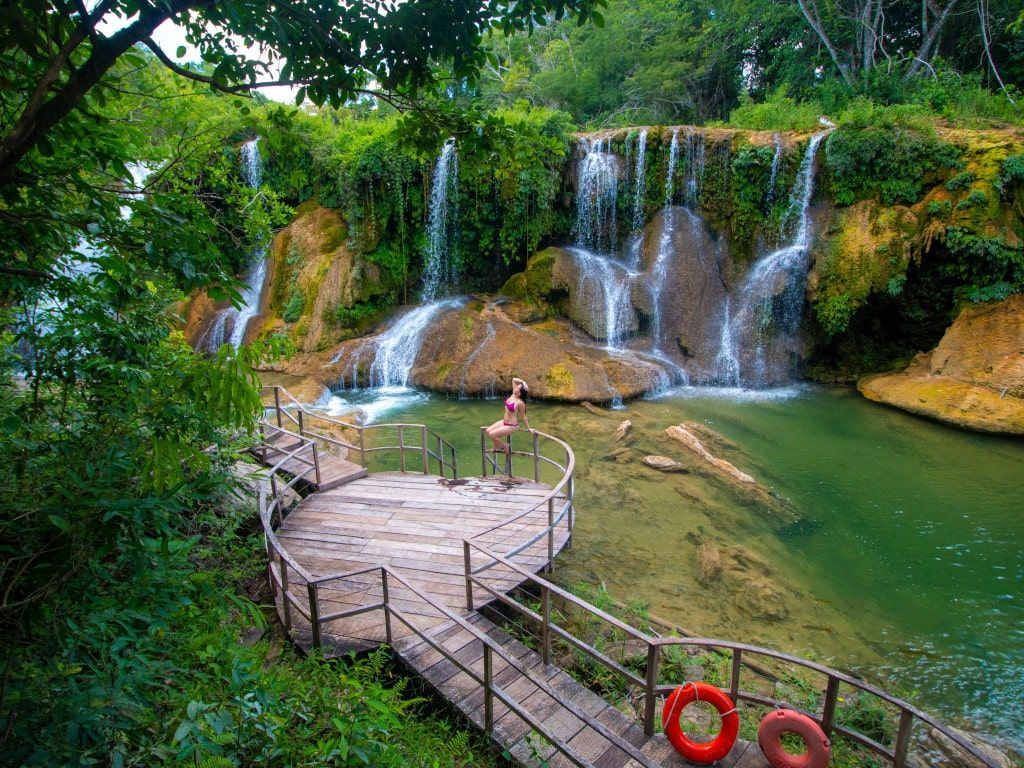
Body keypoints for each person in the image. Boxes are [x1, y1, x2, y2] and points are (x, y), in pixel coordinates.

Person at [485, 376, 534, 454]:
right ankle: (496, 446)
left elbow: (523, 416)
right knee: (487, 431)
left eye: (519, 388)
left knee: (492, 434)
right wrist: (523, 382)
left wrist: (529, 428)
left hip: (512, 425)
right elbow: (514, 379)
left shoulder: (520, 403)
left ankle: (504, 446)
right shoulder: (513, 394)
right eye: (517, 386)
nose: (516, 388)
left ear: (521, 392)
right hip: (504, 422)